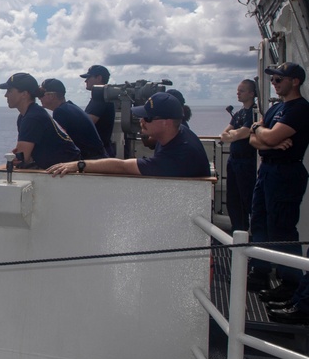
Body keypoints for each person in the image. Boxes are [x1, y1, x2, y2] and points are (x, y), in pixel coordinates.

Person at [247, 62, 309, 300]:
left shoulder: (300, 109)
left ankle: (290, 282)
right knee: (260, 222)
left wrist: (263, 133)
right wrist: (263, 135)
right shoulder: (276, 110)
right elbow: (255, 140)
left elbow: (270, 136)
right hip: (267, 171)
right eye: (273, 80)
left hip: (286, 173)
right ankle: (260, 270)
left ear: (295, 81)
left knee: (282, 229)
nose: (274, 84)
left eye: (279, 80)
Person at [46, 92, 211, 178]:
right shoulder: (179, 132)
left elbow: (122, 166)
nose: (141, 121)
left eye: (147, 118)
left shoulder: (177, 156)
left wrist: (78, 165)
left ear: (166, 122)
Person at [0, 72, 81, 169]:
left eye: (10, 91)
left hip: (68, 171)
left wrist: (17, 158)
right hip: (60, 169)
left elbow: (21, 160)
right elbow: (23, 157)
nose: (6, 95)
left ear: (24, 94)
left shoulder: (32, 118)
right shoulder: (27, 115)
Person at [219, 79, 257, 233]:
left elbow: (244, 132)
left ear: (251, 93)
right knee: (233, 200)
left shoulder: (254, 113)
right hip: (234, 161)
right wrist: (234, 134)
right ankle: (238, 231)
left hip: (248, 162)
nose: (238, 93)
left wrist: (234, 134)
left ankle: (252, 235)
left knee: (247, 199)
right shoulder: (240, 113)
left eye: (241, 91)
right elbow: (224, 134)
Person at [39, 78, 106, 159]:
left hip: (90, 161)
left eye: (41, 94)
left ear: (51, 96)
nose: (39, 98)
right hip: (97, 157)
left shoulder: (60, 112)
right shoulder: (70, 107)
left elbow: (60, 144)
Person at [81, 64, 116, 156]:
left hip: (97, 153)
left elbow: (87, 124)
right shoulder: (104, 97)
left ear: (99, 78)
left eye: (89, 77)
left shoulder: (100, 98)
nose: (86, 80)